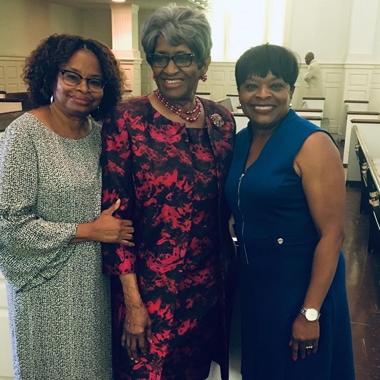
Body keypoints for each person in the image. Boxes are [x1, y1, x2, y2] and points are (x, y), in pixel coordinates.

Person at [101, 5, 235, 380]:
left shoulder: (221, 122)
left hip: (207, 290)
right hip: (148, 291)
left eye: (183, 57)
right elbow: (115, 216)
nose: (170, 69)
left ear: (203, 62)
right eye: (160, 58)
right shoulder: (126, 120)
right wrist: (132, 302)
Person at [0, 34, 134, 379]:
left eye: (94, 81)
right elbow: (9, 226)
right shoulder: (23, 135)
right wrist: (88, 230)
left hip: (91, 287)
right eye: (71, 76)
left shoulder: (99, 133)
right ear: (51, 76)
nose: (83, 88)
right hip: (44, 286)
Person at [225, 44, 355, 380]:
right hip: (256, 284)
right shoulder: (239, 142)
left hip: (302, 286)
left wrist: (310, 312)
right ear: (239, 92)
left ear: (291, 91)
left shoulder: (312, 144)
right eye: (251, 86)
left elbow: (332, 235)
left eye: (276, 85)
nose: (262, 95)